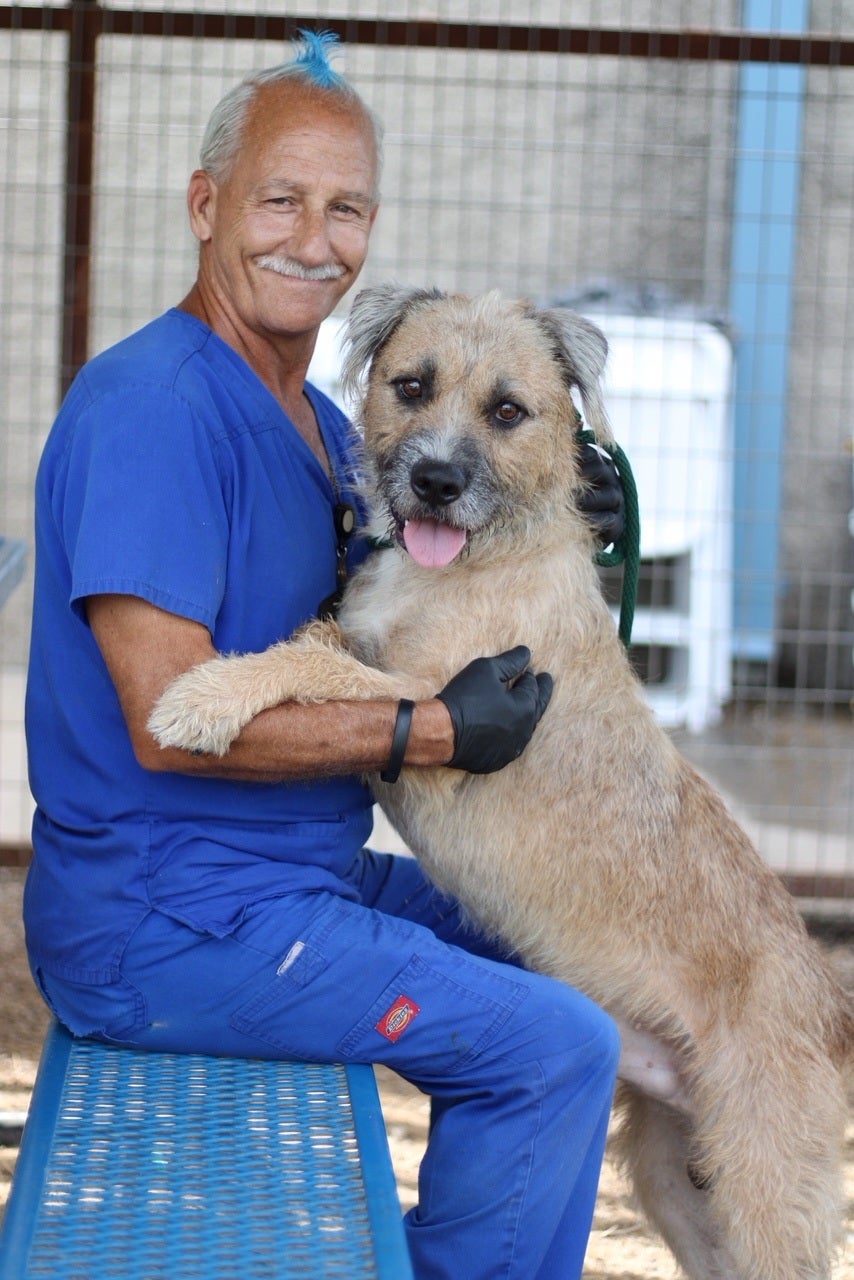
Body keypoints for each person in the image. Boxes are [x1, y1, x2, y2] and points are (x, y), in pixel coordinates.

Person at [24, 32, 622, 1280]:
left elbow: (420, 557)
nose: (314, 236)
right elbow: (163, 716)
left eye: (344, 206)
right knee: (553, 1044)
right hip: (171, 923)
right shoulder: (153, 411)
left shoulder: (318, 419)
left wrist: (556, 503)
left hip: (290, 880)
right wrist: (430, 731)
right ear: (205, 206)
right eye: (278, 198)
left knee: (581, 961)